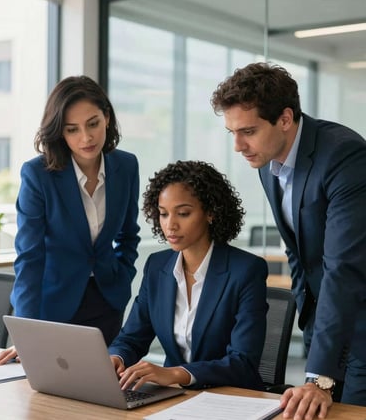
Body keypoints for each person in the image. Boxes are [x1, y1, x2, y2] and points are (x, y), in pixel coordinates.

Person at [211, 62, 366, 418]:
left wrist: (320, 377)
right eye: (231, 132)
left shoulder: (344, 156)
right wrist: (310, 324)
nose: (238, 146)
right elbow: (297, 252)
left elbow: (342, 268)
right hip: (324, 327)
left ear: (284, 118)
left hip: (361, 328)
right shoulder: (268, 162)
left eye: (247, 131)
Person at [0, 75, 140, 365]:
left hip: (107, 299)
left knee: (104, 392)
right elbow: (29, 257)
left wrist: (122, 278)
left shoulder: (126, 165)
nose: (85, 138)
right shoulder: (38, 175)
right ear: (60, 132)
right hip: (55, 304)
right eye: (72, 129)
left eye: (93, 123)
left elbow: (128, 235)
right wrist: (26, 331)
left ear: (107, 118)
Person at [108, 160, 268, 391]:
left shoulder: (246, 270)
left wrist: (175, 373)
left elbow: (242, 362)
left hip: (230, 397)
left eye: (183, 213)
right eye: (163, 214)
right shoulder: (157, 266)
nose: (170, 225)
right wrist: (117, 358)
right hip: (174, 396)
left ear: (211, 212)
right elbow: (131, 338)